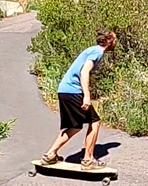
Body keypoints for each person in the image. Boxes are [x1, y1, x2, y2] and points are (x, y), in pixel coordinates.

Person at [40, 30, 117, 169]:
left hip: (64, 90)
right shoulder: (97, 52)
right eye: (115, 39)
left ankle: (50, 155)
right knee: (95, 121)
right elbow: (84, 71)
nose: (116, 42)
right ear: (109, 40)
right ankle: (88, 160)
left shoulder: (92, 50)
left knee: (75, 126)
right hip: (72, 90)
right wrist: (87, 96)